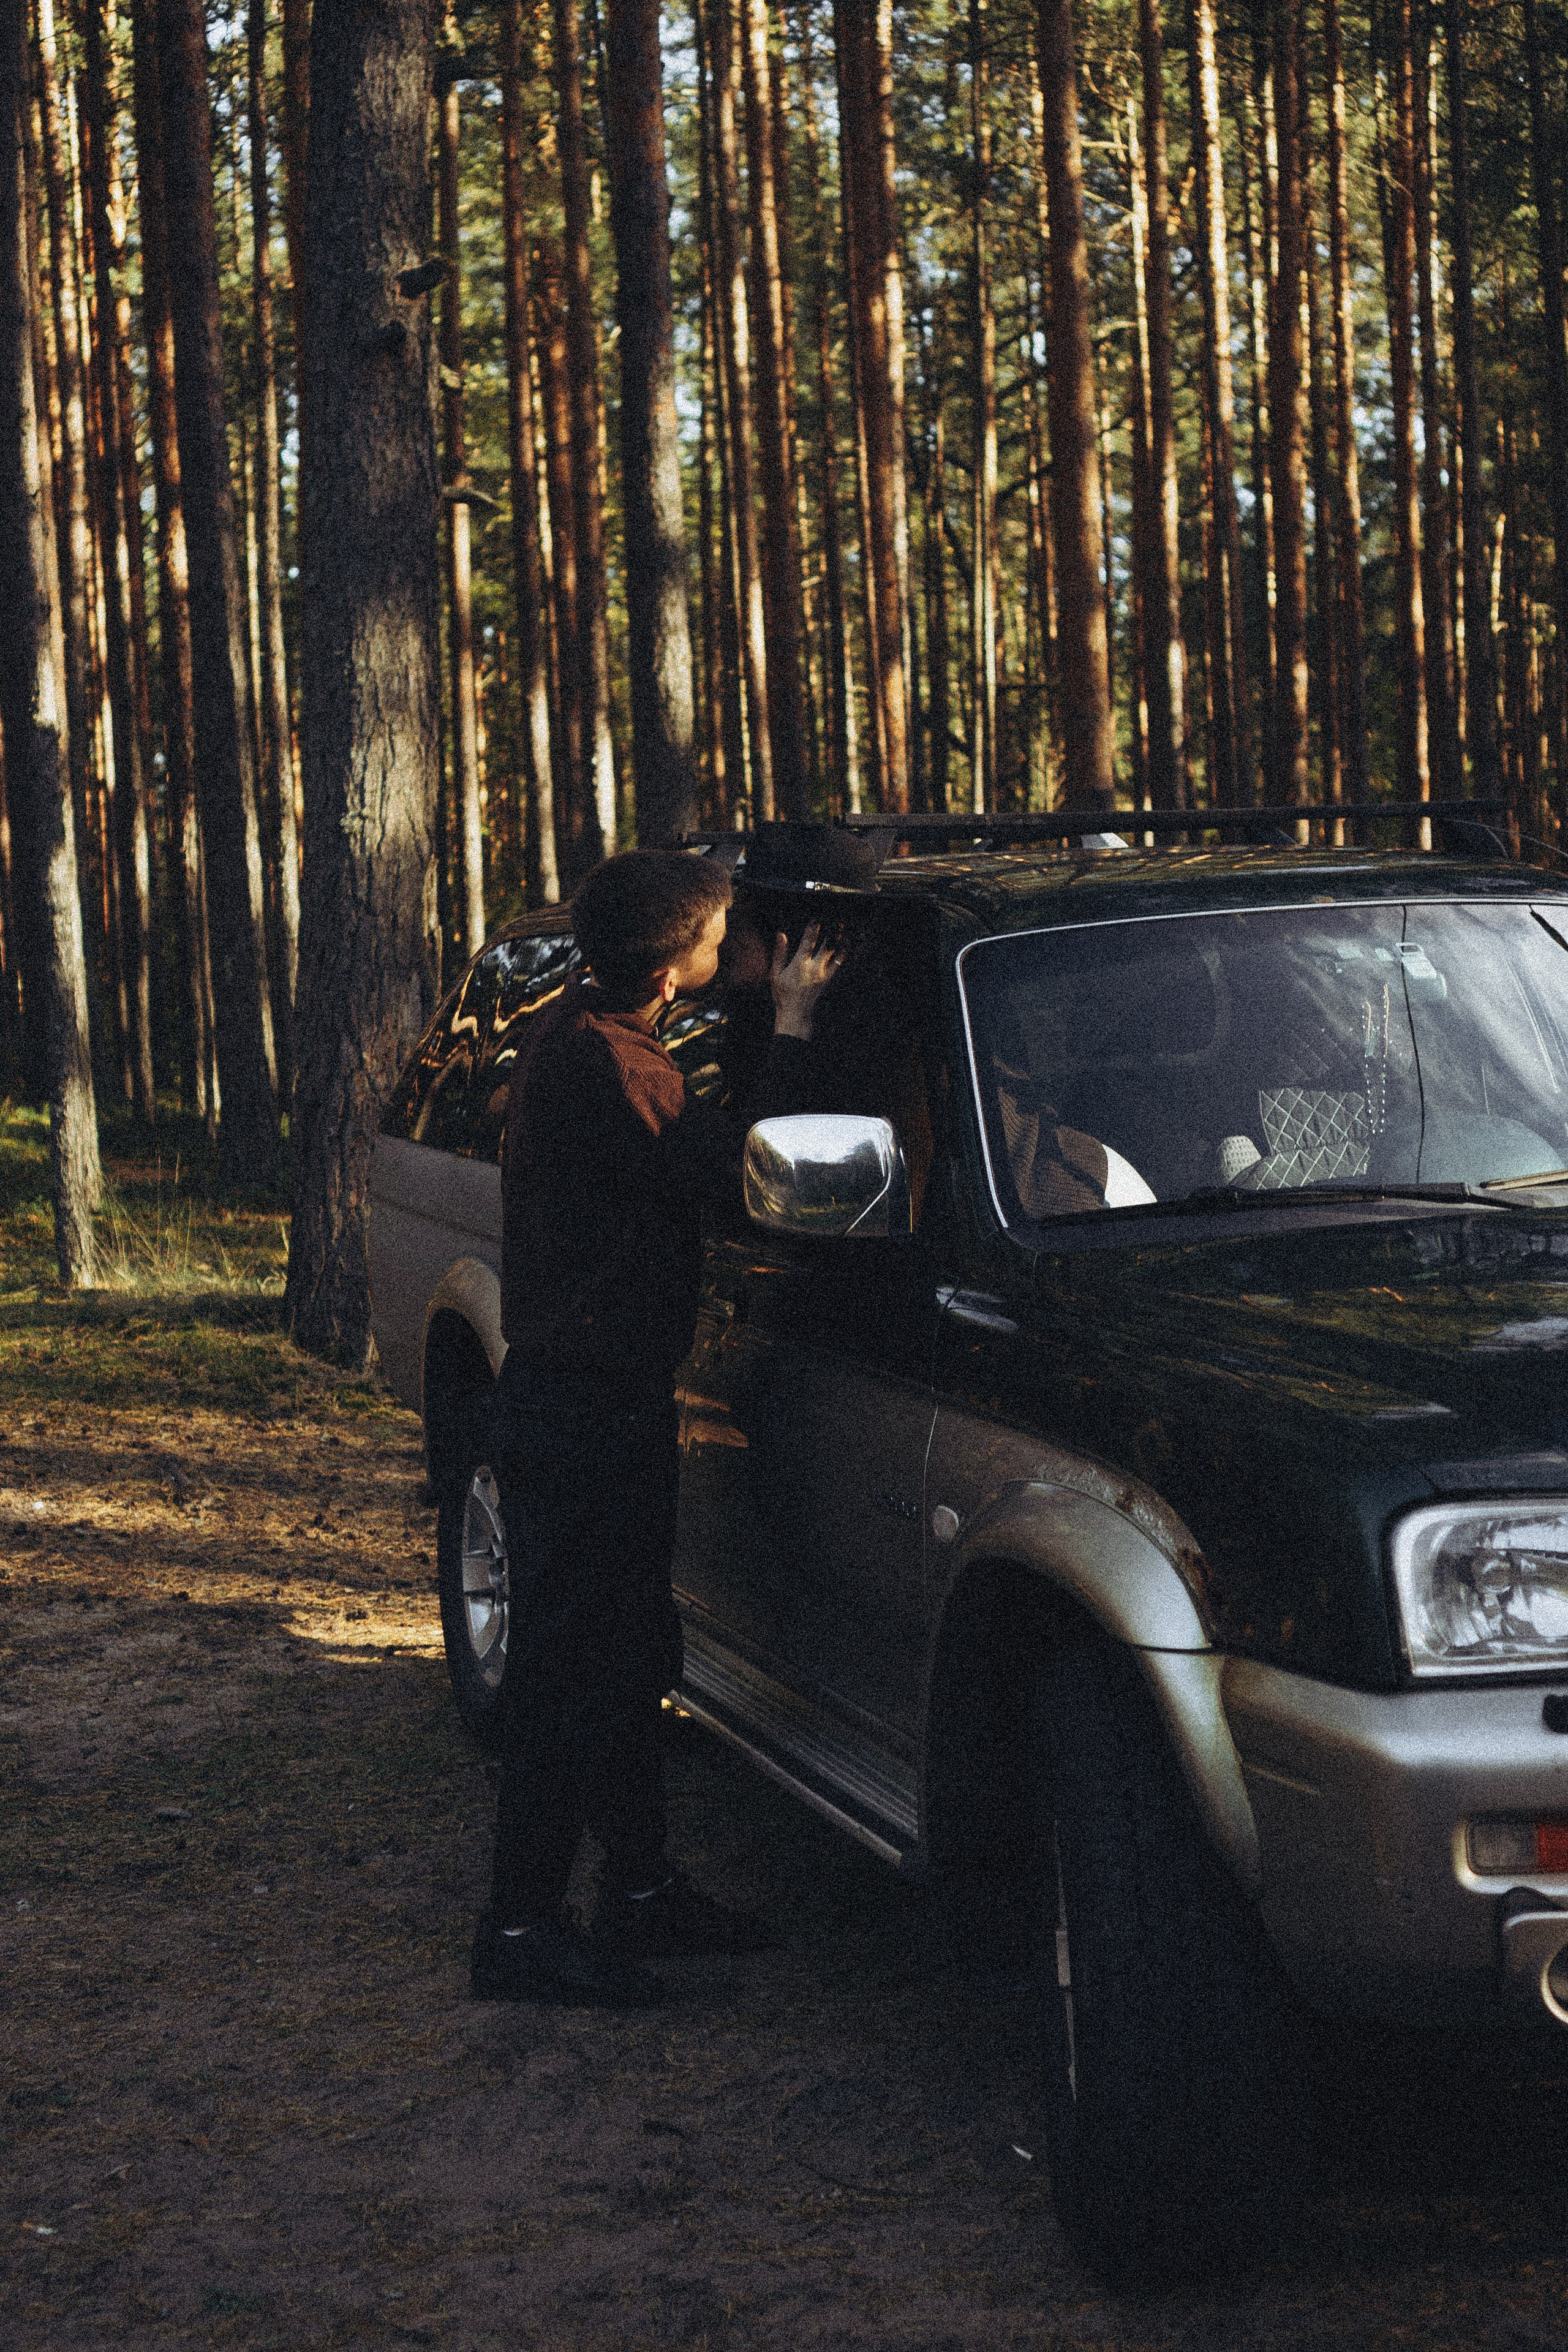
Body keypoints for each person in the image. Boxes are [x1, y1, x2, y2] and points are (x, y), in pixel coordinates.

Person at [470, 848, 844, 2008]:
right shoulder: (608, 1064)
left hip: (597, 1402)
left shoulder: (599, 1031)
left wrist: (744, 1001)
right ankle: (521, 1932)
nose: (735, 941)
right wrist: (788, 1025)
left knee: (630, 1656)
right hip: (578, 1411)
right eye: (723, 930)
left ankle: (637, 1891)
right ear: (675, 961)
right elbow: (740, 1173)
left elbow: (688, 1109)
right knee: (568, 1674)